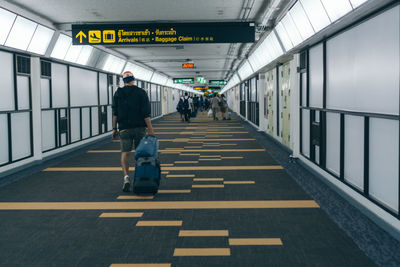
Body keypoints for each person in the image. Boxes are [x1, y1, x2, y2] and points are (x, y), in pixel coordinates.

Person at [112, 71, 155, 192]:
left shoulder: (118, 93)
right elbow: (145, 113)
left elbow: (115, 113)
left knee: (125, 153)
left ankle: (126, 178)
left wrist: (114, 128)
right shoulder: (141, 92)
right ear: (133, 80)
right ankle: (138, 176)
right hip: (139, 128)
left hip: (124, 128)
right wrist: (150, 129)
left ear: (124, 81)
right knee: (139, 154)